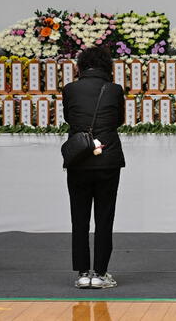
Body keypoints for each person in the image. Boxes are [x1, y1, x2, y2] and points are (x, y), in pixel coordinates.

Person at [63, 47, 125, 289]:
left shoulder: (70, 89)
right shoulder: (114, 90)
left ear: (81, 66)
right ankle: (100, 273)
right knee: (104, 217)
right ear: (107, 66)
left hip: (78, 158)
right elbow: (118, 120)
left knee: (79, 218)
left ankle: (82, 273)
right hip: (108, 159)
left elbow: (70, 117)